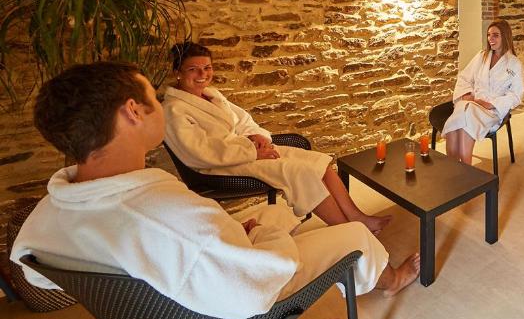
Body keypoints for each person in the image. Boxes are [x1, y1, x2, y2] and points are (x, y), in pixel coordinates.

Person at [11, 62, 420, 319]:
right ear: (133, 111)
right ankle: (391, 280)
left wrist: (216, 240)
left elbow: (37, 275)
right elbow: (256, 282)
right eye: (153, 97)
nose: (161, 104)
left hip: (155, 318)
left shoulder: (47, 216)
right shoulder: (171, 211)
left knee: (283, 202)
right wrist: (263, 234)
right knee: (350, 236)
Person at [162, 42, 390, 233]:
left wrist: (256, 136)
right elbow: (200, 152)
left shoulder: (212, 95)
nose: (203, 75)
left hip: (246, 150)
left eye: (207, 67)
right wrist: (253, 152)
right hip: (219, 166)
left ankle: (358, 217)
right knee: (299, 172)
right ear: (178, 72)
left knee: (318, 162)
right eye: (194, 69)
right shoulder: (174, 110)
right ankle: (348, 231)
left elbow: (241, 120)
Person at [443, 20, 524, 167]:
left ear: (505, 37)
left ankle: (463, 168)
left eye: (495, 35)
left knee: (463, 117)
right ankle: (455, 168)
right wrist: (467, 94)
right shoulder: (482, 56)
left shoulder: (514, 64)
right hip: (473, 102)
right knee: (462, 112)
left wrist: (491, 104)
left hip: (491, 110)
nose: (490, 39)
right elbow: (464, 77)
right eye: (488, 35)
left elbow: (516, 95)